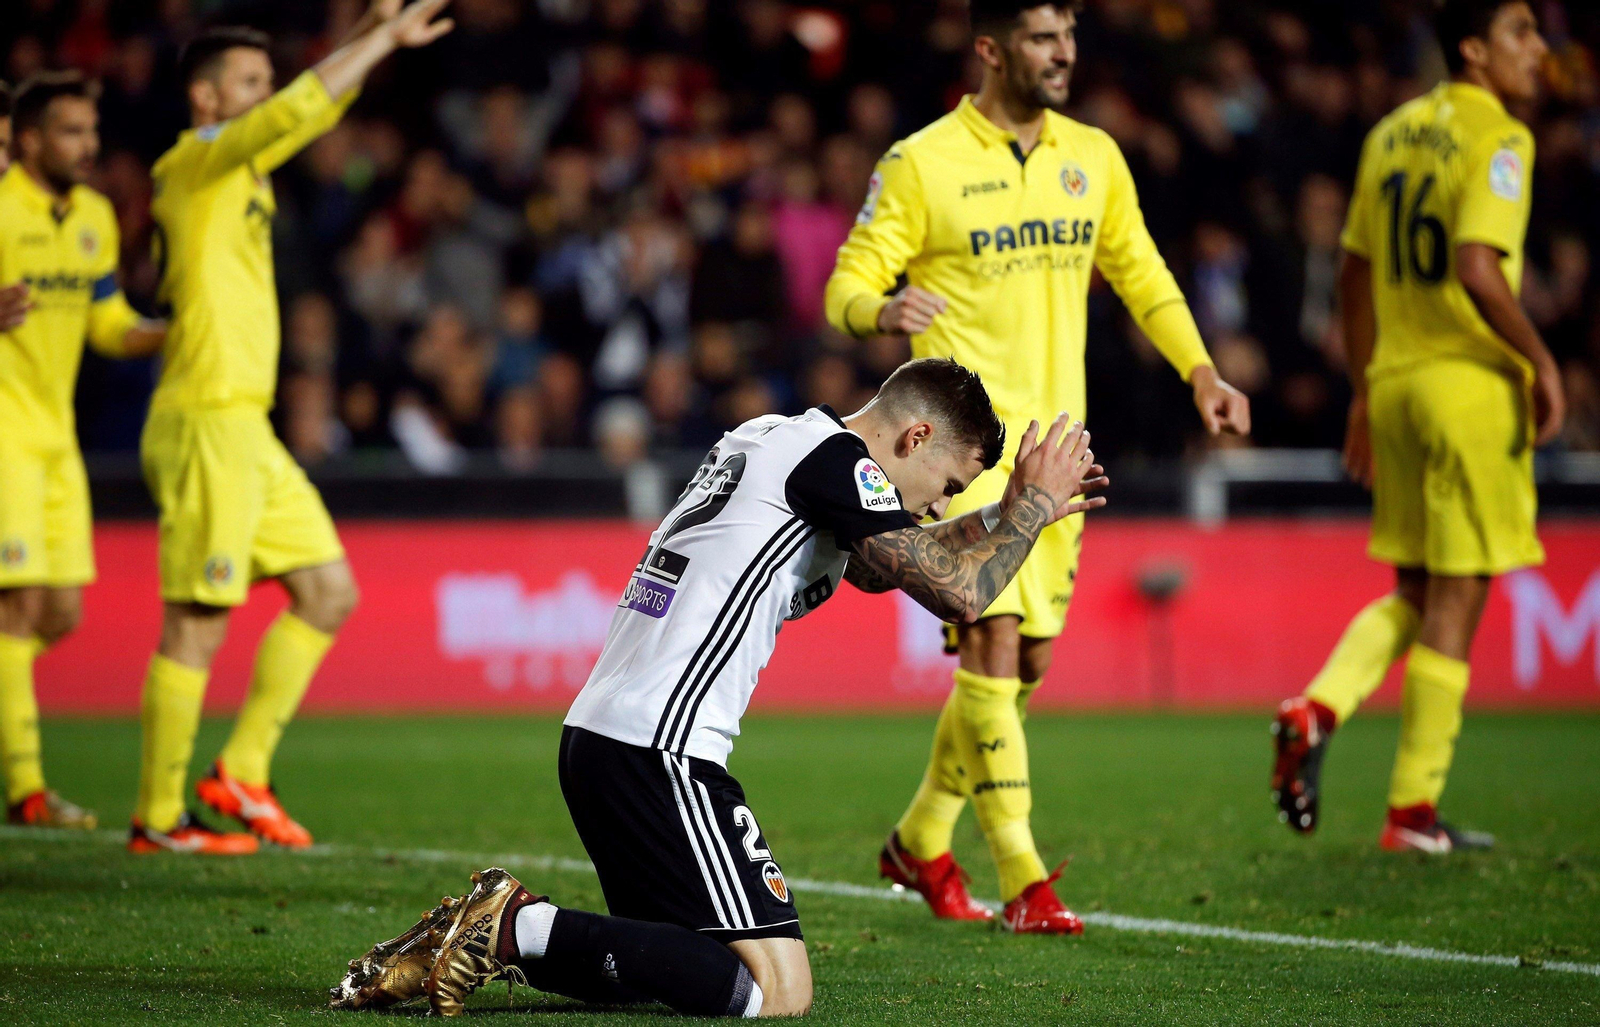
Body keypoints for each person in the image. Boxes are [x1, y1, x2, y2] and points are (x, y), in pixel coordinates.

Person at [330, 357, 1109, 1017]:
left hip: (605, 737)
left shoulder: (777, 439)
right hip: (661, 749)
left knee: (667, 969)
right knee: (776, 988)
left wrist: (1010, 514)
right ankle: (508, 925)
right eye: (946, 481)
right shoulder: (836, 462)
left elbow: (885, 567)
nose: (941, 504)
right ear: (915, 437)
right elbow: (962, 593)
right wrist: (1035, 509)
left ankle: (456, 941)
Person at [821, 0, 1250, 932]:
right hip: (964, 458)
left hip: (1060, 452)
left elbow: (1141, 269)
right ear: (992, 48)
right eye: (1043, 39)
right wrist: (879, 311)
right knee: (992, 638)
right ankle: (1024, 880)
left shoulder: (1091, 156)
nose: (1064, 55)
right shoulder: (921, 162)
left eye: (1069, 38)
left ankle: (920, 839)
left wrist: (1201, 370)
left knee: (1021, 670)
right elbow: (845, 281)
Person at [127, 0, 455, 855]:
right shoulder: (196, 161)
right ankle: (158, 819)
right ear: (205, 100)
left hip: (246, 428)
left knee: (327, 591)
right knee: (197, 621)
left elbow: (305, 105)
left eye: (266, 81)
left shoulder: (239, 169)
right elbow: (301, 107)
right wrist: (377, 39)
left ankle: (240, 768)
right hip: (205, 420)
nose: (264, 95)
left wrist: (366, 38)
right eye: (247, 83)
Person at [1271, 0, 1560, 854]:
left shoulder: (1390, 133)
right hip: (1465, 386)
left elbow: (1354, 272)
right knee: (1460, 596)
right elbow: (1477, 266)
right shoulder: (1503, 137)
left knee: (1414, 590)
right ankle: (1413, 810)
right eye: (1521, 32)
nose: (1539, 50)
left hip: (1393, 383)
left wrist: (1363, 392)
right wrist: (1542, 361)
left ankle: (1314, 707)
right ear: (1474, 50)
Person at [0, 72, 166, 829]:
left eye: (92, 131)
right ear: (29, 138)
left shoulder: (96, 215)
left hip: (56, 436)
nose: (89, 145)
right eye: (71, 131)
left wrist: (171, 328)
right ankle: (28, 787)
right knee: (18, 605)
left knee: (60, 612)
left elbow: (106, 323)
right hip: (5, 427)